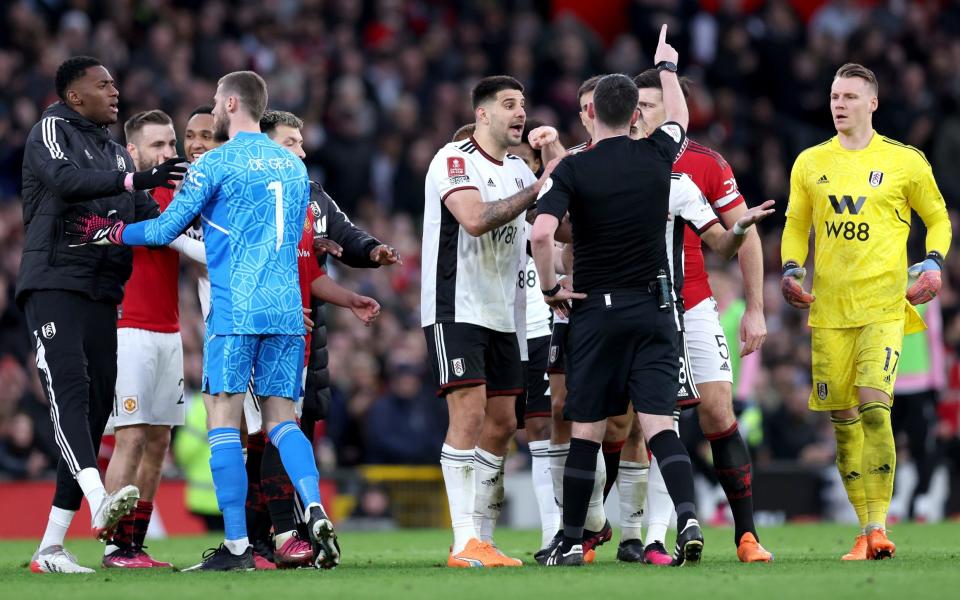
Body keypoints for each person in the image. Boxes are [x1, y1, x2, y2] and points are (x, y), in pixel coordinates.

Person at [65, 71, 340, 571]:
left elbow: (167, 227)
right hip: (286, 309)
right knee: (283, 421)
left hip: (236, 308)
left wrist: (111, 234)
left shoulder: (216, 164)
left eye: (216, 101)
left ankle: (236, 547)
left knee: (222, 423)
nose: (212, 109)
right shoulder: (295, 166)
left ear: (231, 103)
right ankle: (313, 506)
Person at [532, 27, 773, 568]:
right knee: (657, 423)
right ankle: (668, 521)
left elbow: (544, 232)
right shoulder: (665, 166)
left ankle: (586, 536)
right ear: (632, 112)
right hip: (656, 306)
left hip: (605, 307)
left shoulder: (580, 165)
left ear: (593, 112)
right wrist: (669, 64)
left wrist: (552, 288)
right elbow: (720, 234)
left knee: (598, 425)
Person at [19, 56, 186, 574]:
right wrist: (139, 180)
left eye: (115, 82)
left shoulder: (116, 152)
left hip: (102, 293)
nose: (115, 90)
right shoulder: (51, 129)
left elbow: (153, 223)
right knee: (68, 394)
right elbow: (66, 183)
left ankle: (49, 548)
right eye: (103, 84)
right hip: (53, 283)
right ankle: (97, 499)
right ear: (74, 95)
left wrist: (202, 204)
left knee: (92, 416)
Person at [780, 62, 951, 560]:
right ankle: (863, 528)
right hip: (829, 310)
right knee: (843, 419)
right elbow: (796, 224)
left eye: (851, 97)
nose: (839, 104)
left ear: (873, 103)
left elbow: (937, 217)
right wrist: (791, 269)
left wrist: (935, 263)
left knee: (876, 407)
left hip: (883, 305)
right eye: (835, 95)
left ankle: (879, 527)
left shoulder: (905, 161)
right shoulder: (810, 162)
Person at [632, 68, 773, 564]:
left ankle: (747, 536)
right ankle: (636, 536)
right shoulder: (614, 158)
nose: (640, 114)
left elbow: (743, 233)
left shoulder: (704, 163)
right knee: (641, 421)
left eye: (650, 105)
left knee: (717, 410)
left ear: (675, 109)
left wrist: (754, 309)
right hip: (635, 307)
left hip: (692, 303)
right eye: (636, 105)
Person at [422, 75, 556, 568]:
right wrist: (541, 185)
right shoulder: (453, 158)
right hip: (456, 307)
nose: (520, 113)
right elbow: (475, 218)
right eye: (508, 105)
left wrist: (557, 168)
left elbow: (553, 229)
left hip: (505, 313)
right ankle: (463, 542)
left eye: (523, 104)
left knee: (502, 423)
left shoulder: (521, 171)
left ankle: (482, 535)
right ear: (482, 114)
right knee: (471, 415)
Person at [239, 109, 382, 570]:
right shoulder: (247, 196)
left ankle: (288, 534)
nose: (302, 152)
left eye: (302, 143)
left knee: (294, 431)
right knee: (262, 436)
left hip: (301, 338)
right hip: (254, 335)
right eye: (290, 143)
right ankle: (260, 538)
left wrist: (354, 289)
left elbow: (315, 267)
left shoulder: (306, 198)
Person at [101, 109, 205, 569]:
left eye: (171, 145)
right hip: (129, 328)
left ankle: (134, 543)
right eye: (158, 145)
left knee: (159, 440)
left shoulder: (176, 190)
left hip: (168, 329)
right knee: (131, 436)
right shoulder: (119, 193)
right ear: (133, 151)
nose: (169, 153)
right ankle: (112, 545)